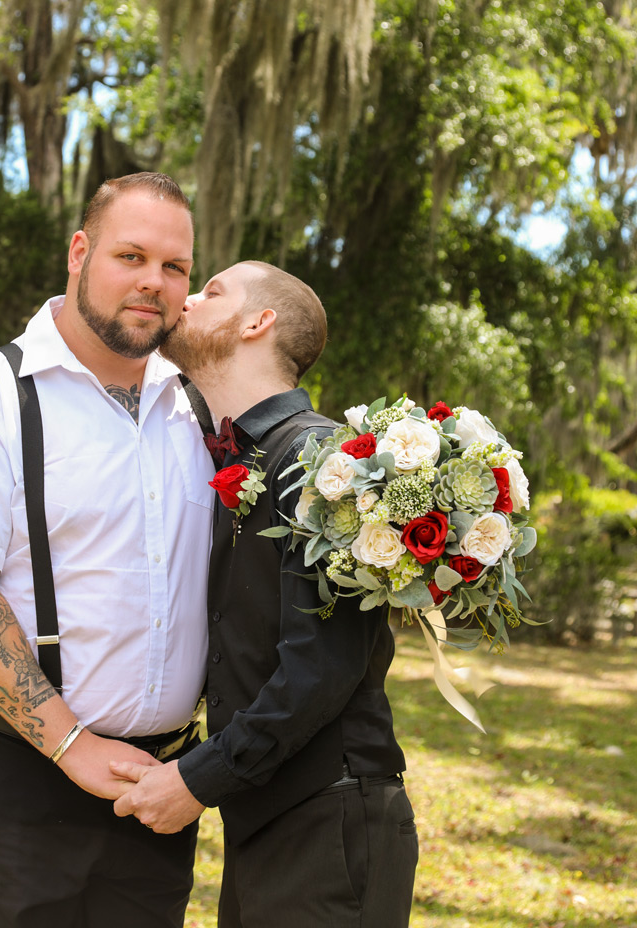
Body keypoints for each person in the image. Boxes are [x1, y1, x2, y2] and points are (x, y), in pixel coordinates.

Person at [0, 172, 216, 928]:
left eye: (175, 267)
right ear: (79, 252)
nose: (153, 282)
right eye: (131, 256)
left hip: (156, 792)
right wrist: (71, 745)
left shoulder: (198, 409)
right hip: (4, 784)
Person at [111, 260, 419, 928]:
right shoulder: (235, 455)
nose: (186, 299)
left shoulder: (322, 461)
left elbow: (322, 666)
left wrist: (198, 779)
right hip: (269, 817)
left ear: (258, 322)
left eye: (212, 290)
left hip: (330, 823)